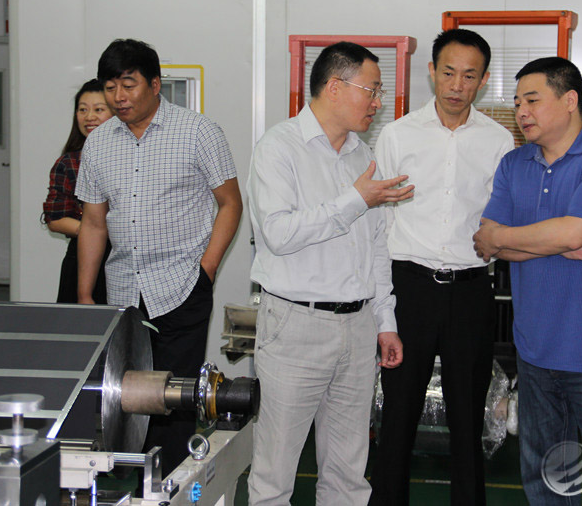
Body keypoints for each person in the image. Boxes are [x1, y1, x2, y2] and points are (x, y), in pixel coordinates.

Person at [247, 41, 412, 505]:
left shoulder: (363, 157)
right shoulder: (279, 148)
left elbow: (376, 249)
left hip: (358, 328)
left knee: (348, 474)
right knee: (275, 472)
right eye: (372, 90)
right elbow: (279, 234)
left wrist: (385, 321)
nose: (378, 102)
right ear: (335, 87)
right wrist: (355, 200)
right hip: (296, 324)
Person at [473, 56, 582, 505]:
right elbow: (486, 242)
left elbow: (560, 234)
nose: (521, 111)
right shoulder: (514, 164)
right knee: (546, 478)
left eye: (532, 100)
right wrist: (558, 241)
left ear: (570, 100)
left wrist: (524, 237)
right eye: (517, 103)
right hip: (535, 350)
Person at [75, 39, 242, 474]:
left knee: (174, 401)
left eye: (128, 84)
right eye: (110, 87)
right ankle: (133, 485)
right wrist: (86, 295)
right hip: (123, 293)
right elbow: (93, 223)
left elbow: (230, 203)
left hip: (181, 287)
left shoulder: (198, 131)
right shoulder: (98, 143)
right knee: (125, 399)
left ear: (154, 84)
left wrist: (206, 271)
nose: (118, 96)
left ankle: (170, 489)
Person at [369, 29, 513, 506]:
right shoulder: (398, 135)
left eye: (469, 76)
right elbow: (379, 221)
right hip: (410, 287)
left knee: (469, 416)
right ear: (432, 72)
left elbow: (500, 217)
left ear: (484, 81)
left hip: (471, 290)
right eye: (448, 72)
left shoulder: (498, 141)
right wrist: (383, 304)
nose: (457, 85)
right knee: (398, 414)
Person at [42, 79, 113, 303]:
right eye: (82, 110)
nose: (89, 117)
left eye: (98, 110)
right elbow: (55, 219)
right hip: (82, 258)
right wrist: (94, 233)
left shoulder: (134, 158)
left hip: (125, 261)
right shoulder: (69, 163)